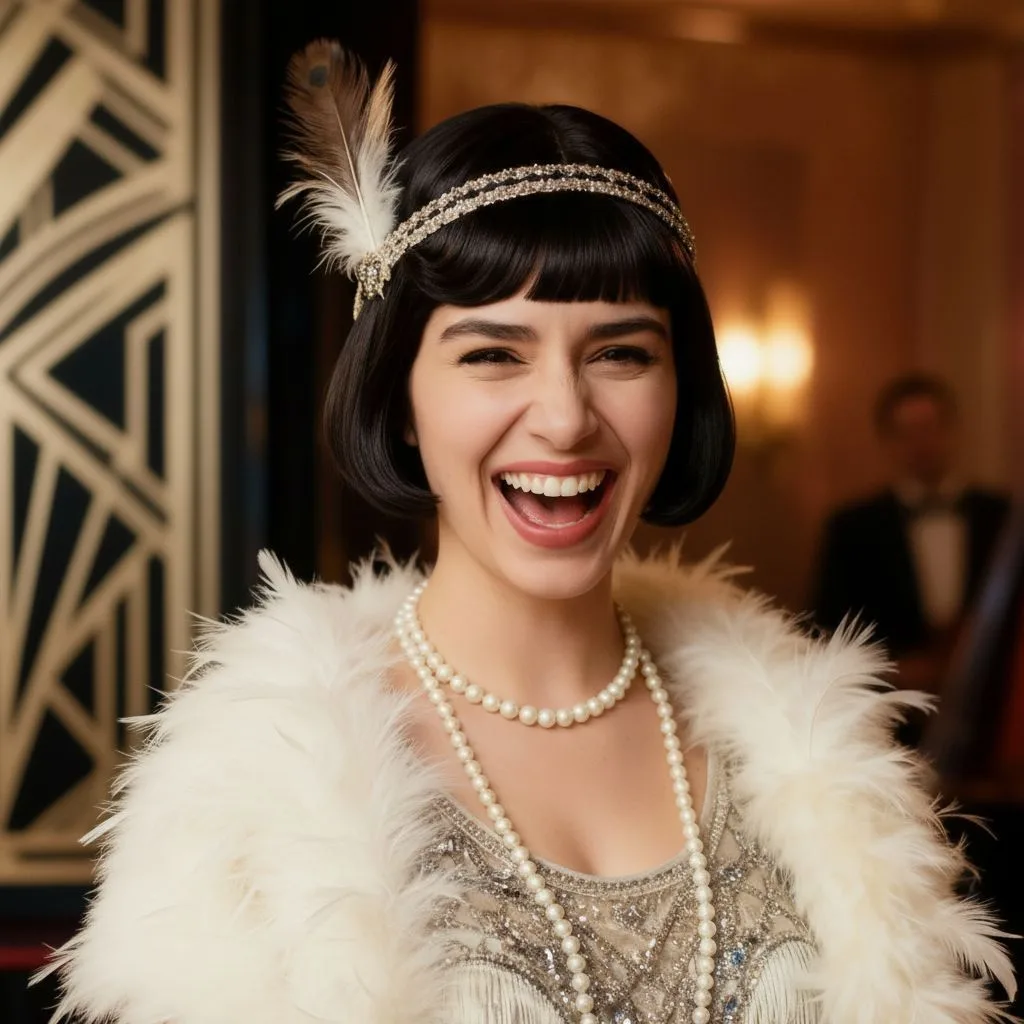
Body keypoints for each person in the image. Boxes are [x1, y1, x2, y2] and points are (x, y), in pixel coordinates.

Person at [39, 42, 1014, 1024]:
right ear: (400, 399)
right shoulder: (257, 792)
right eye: (493, 354)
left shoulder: (816, 763)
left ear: (680, 388)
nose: (564, 418)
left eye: (620, 353)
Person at [813, 375, 1011, 702]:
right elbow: (828, 628)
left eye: (931, 428)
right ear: (887, 441)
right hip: (892, 706)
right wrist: (893, 668)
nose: (922, 443)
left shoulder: (1004, 517)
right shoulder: (852, 528)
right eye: (907, 432)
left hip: (992, 702)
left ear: (952, 430)